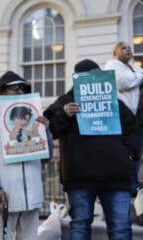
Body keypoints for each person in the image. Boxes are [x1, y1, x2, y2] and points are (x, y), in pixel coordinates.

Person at [44, 59, 138, 240]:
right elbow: (49, 131)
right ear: (78, 79)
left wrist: (130, 154)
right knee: (80, 225)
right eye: (91, 74)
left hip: (115, 174)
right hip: (80, 177)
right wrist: (64, 115)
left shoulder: (115, 102)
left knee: (121, 228)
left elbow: (133, 129)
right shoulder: (66, 102)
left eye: (98, 73)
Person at [0, 71, 52, 240]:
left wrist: (46, 134)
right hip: (3, 201)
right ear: (0, 91)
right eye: (14, 87)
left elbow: (46, 157)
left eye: (23, 88)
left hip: (32, 201)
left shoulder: (34, 118)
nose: (20, 91)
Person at [105, 41, 143, 195]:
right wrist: (138, 77)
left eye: (129, 48)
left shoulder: (135, 69)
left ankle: (133, 185)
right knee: (122, 152)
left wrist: (136, 76)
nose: (128, 50)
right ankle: (122, 184)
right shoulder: (111, 65)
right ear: (115, 52)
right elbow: (122, 82)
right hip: (120, 116)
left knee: (136, 153)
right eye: (123, 48)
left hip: (137, 118)